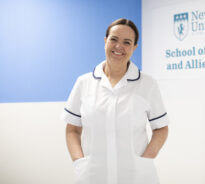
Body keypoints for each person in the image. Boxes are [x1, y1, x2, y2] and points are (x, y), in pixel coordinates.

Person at [61, 18, 169, 184]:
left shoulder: (147, 84)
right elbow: (72, 130)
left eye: (127, 42)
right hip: (92, 176)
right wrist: (79, 163)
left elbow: (161, 128)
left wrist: (144, 163)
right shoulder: (84, 83)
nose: (119, 46)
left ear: (134, 47)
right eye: (114, 39)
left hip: (136, 177)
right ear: (105, 41)